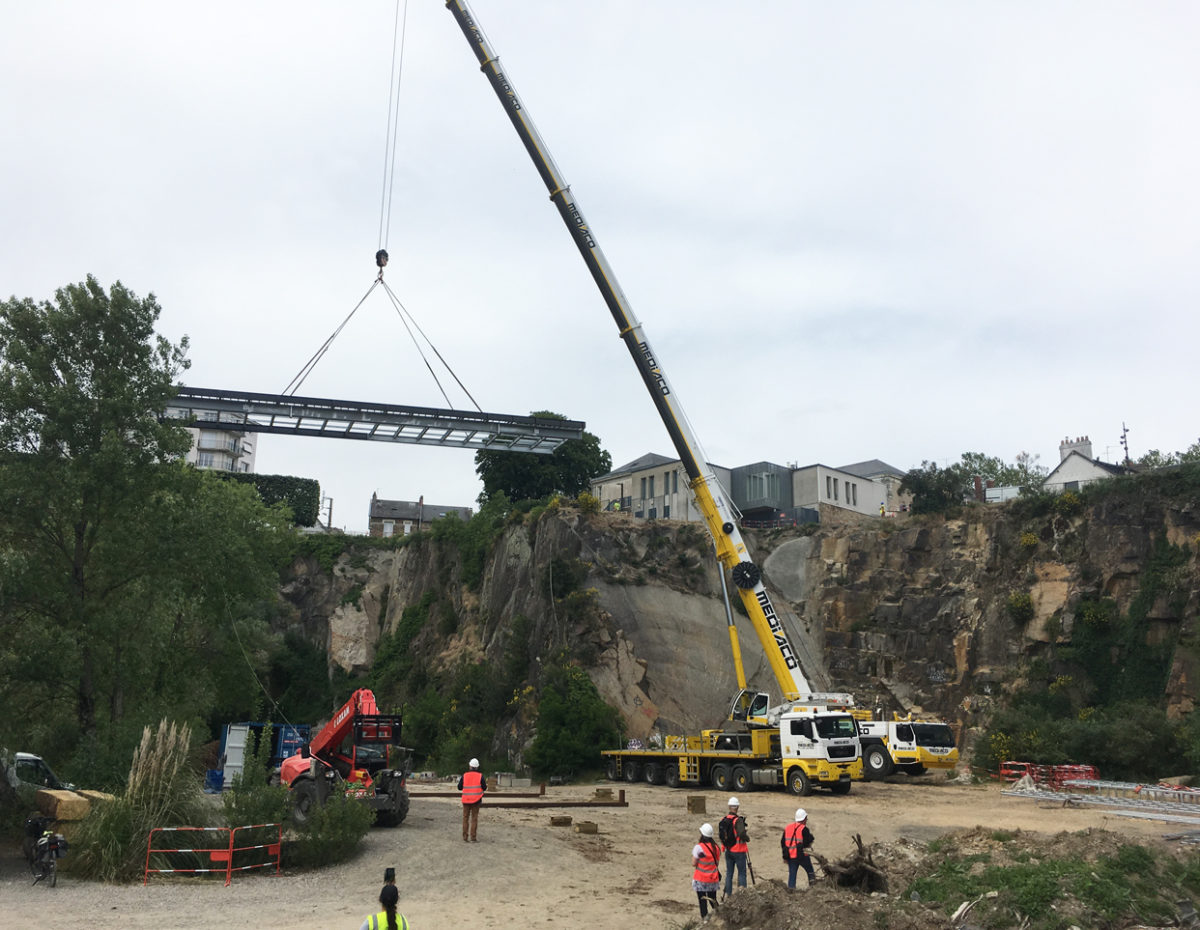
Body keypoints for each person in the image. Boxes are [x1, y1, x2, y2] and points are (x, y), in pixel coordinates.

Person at [719, 796, 750, 898]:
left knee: (729, 874)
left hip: (728, 850)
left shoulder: (724, 820)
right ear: (737, 807)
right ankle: (742, 896)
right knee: (741, 873)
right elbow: (741, 833)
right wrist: (747, 838)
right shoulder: (738, 820)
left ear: (729, 807)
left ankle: (728, 895)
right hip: (739, 850)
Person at [691, 822, 721, 920]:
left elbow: (694, 863)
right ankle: (719, 917)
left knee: (702, 902)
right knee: (713, 900)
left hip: (701, 879)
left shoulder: (699, 848)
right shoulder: (716, 847)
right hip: (713, 878)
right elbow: (716, 862)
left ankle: (705, 921)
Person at [781, 807, 816, 890]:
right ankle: (814, 888)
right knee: (810, 871)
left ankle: (791, 891)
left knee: (792, 875)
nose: (806, 820)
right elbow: (807, 842)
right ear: (804, 819)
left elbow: (783, 842)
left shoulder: (788, 828)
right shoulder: (804, 829)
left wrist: (785, 857)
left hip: (790, 856)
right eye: (806, 818)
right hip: (802, 855)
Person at [458, 757, 486, 842]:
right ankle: (473, 837)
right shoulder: (480, 776)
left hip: (466, 800)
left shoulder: (465, 775)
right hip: (476, 801)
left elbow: (459, 787)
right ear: (477, 767)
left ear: (470, 766)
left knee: (465, 818)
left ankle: (465, 837)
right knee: (474, 818)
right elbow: (484, 787)